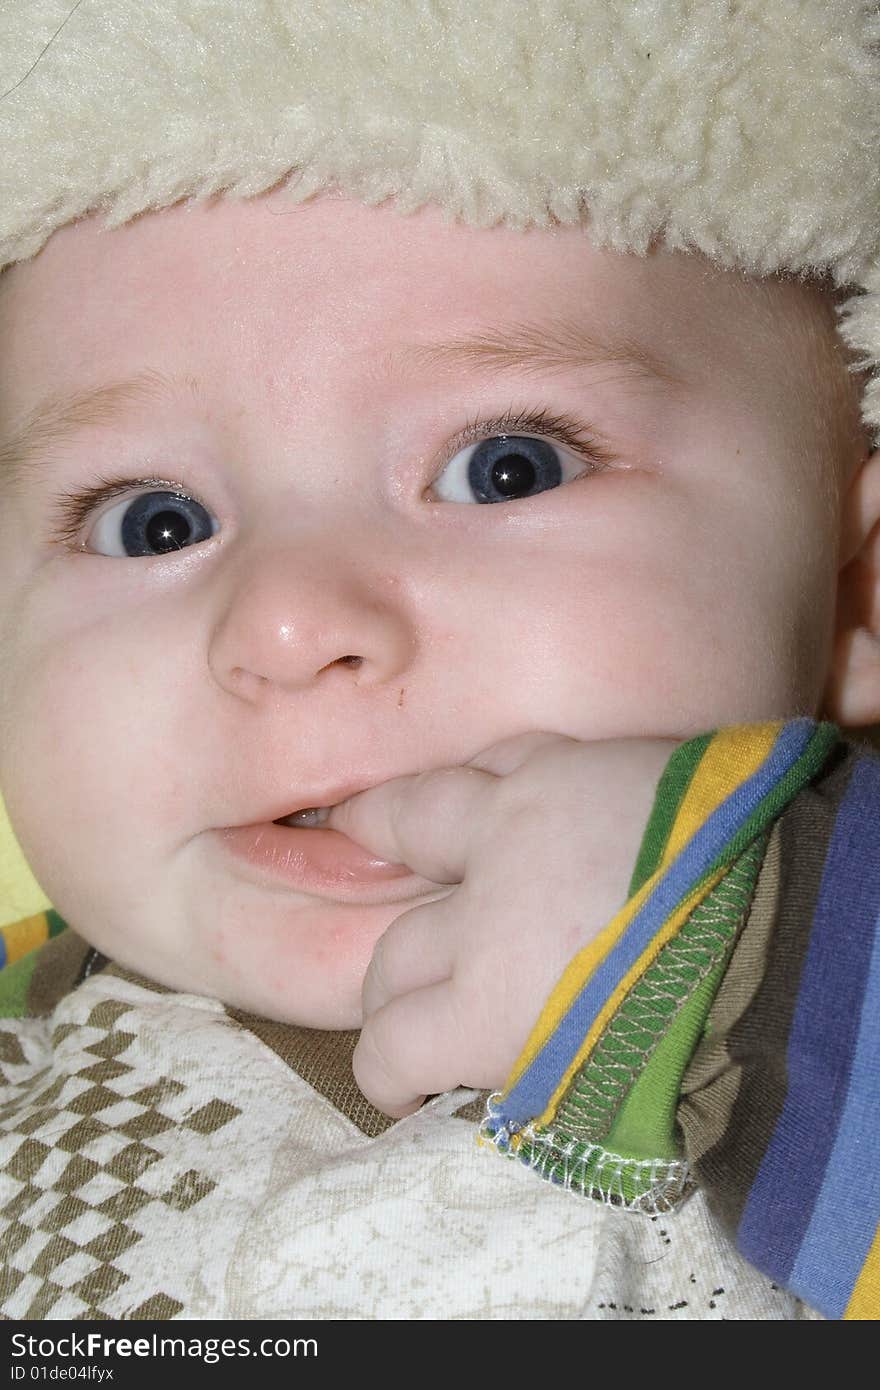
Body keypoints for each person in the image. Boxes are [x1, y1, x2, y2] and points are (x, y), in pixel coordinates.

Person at [0, 0, 877, 1321]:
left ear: (856, 596)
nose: (288, 620)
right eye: (152, 520)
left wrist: (750, 938)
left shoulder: (821, 963)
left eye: (503, 467)